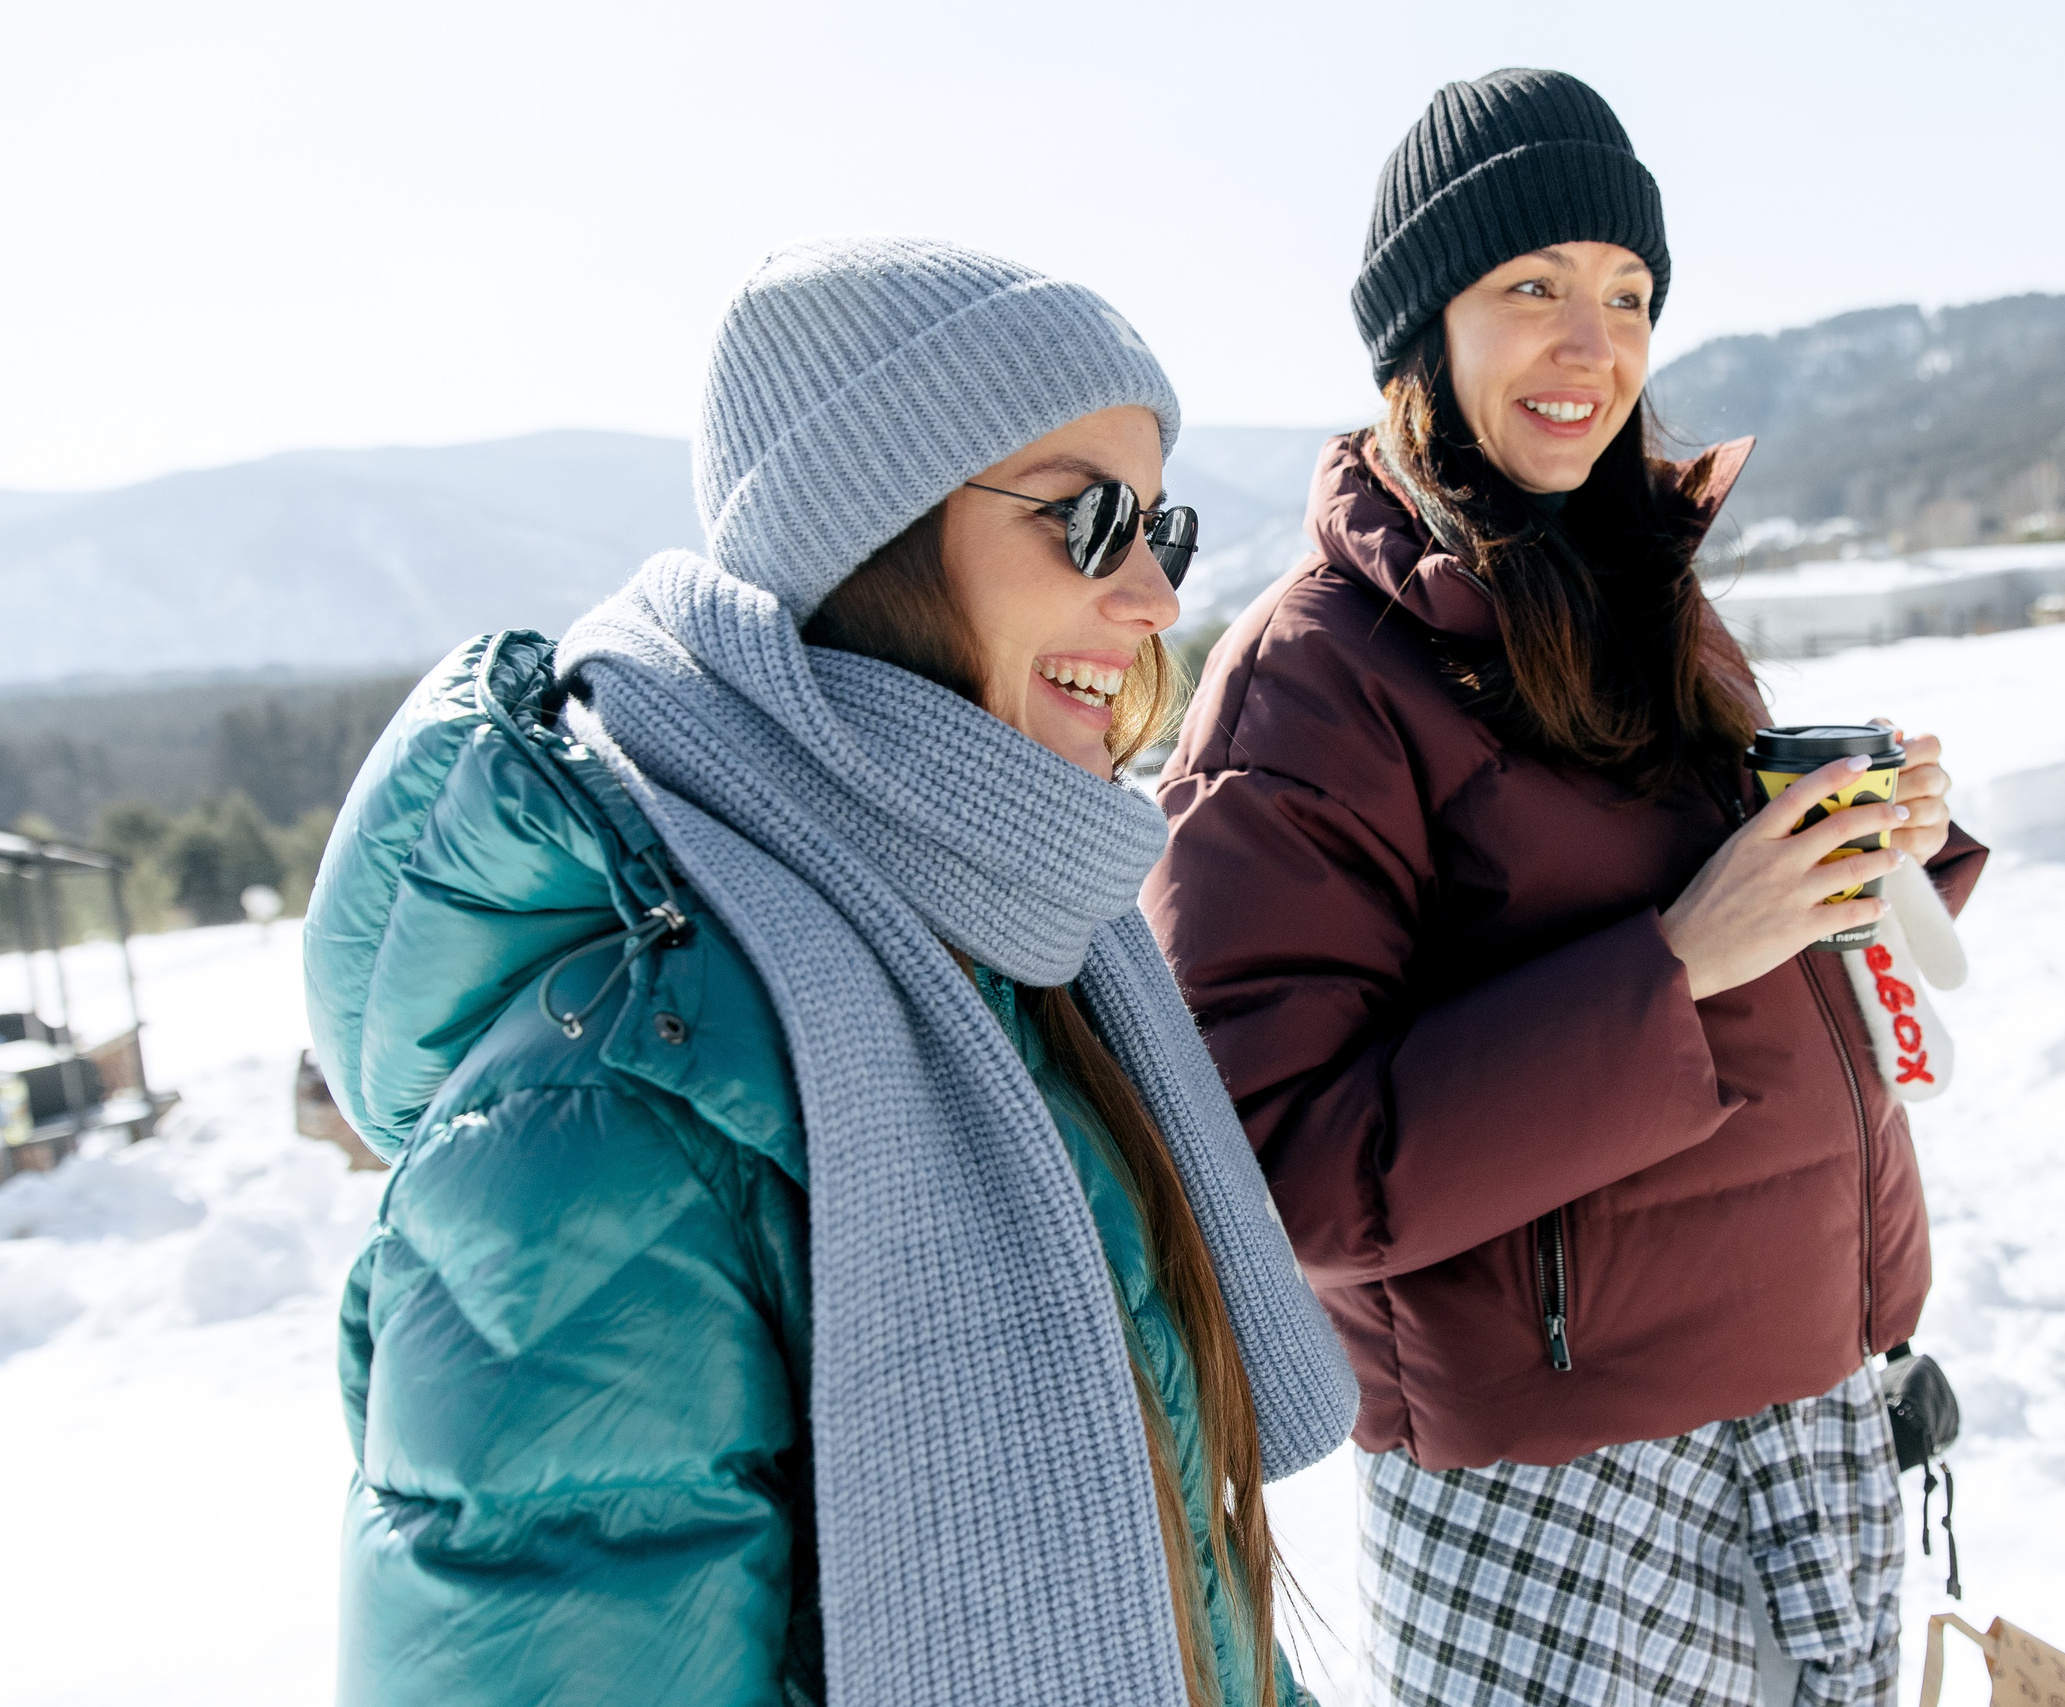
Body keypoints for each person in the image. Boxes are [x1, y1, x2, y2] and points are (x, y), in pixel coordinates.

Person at [305, 237, 1357, 1707]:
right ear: (863, 533)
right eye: (1086, 516)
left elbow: (1172, 1594)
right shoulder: (605, 1107)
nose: (1152, 600)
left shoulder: (1029, 963)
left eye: (1162, 530)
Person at [1142, 71, 1989, 1707]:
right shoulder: (1312, 681)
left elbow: (1766, 975)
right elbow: (1272, 1163)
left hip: (1813, 1404)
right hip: (1561, 1478)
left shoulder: (1647, 598)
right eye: (1532, 288)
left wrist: (1869, 868)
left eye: (1628, 295)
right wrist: (1673, 963)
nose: (1592, 345)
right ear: (1421, 333)